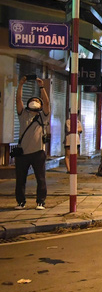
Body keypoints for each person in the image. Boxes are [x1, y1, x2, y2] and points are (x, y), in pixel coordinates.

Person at [14, 76, 51, 210]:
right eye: (32, 100)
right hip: (22, 153)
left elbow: (47, 103)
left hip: (38, 153)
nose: (34, 102)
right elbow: (18, 100)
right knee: (20, 179)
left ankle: (40, 202)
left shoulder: (43, 117)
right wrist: (21, 84)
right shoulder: (23, 114)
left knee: (40, 178)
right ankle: (20, 202)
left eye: (37, 101)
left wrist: (42, 87)